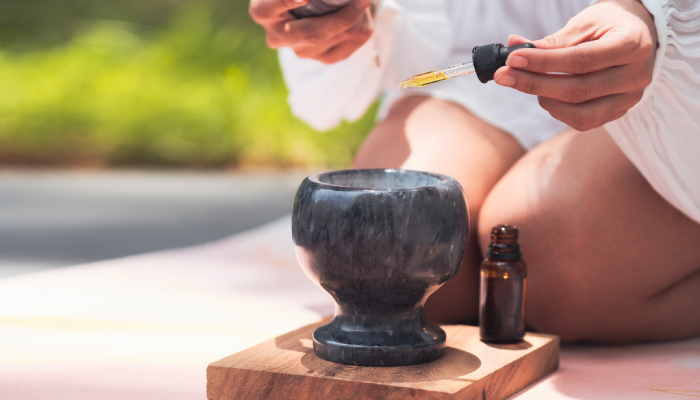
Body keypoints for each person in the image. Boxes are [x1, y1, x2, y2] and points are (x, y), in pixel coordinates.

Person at [249, 0, 700, 343]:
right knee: (389, 250)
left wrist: (648, 15)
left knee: (550, 265)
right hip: (470, 66)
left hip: (662, 77)